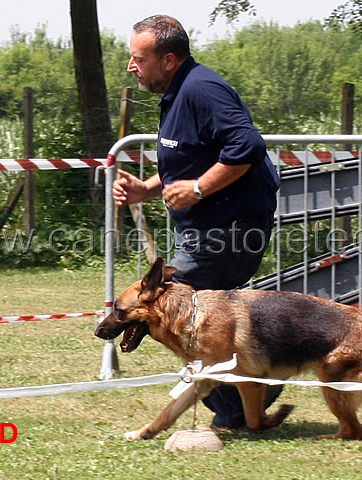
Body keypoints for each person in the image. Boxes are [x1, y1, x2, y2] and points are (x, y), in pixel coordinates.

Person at [112, 15, 282, 429]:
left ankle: (246, 398)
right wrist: (147, 189)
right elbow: (191, 158)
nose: (131, 66)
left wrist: (200, 190)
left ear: (168, 59)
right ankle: (246, 398)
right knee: (202, 320)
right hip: (206, 228)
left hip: (231, 228)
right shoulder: (176, 92)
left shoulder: (202, 89)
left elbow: (246, 146)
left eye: (139, 59)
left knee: (174, 308)